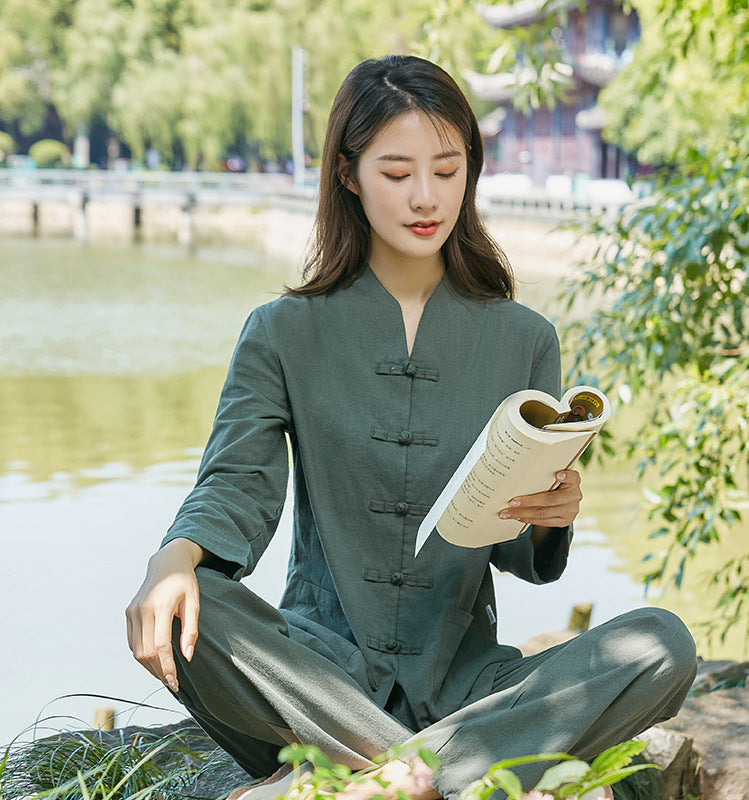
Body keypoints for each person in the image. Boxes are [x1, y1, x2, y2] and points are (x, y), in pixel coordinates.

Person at [126, 55, 696, 800]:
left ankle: (381, 778)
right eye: (397, 174)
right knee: (186, 610)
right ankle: (445, 769)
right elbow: (236, 484)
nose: (427, 197)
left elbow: (517, 551)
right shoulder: (281, 331)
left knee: (661, 645)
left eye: (448, 169)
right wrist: (170, 560)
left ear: (472, 170)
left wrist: (553, 517)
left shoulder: (523, 338)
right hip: (318, 676)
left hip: (470, 680)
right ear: (347, 173)